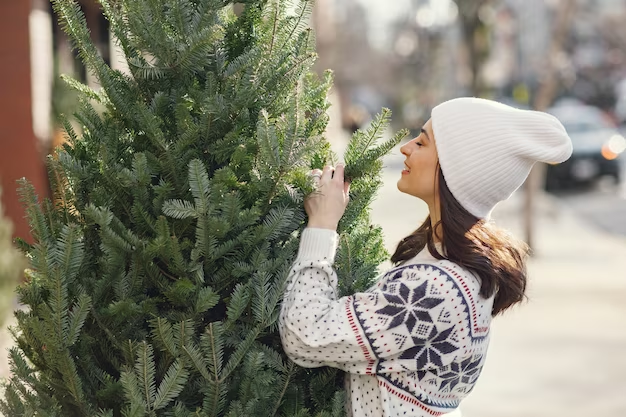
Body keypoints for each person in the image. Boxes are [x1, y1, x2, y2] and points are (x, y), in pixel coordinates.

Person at [278, 97, 573, 416]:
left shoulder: (434, 291)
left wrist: (322, 225)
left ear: (454, 169)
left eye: (422, 142)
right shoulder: (455, 264)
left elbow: (305, 336)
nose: (406, 148)